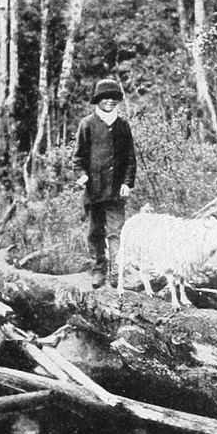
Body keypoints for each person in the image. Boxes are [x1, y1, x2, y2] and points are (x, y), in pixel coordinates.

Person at [73, 78, 137, 288]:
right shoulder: (87, 124)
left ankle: (117, 273)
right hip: (94, 190)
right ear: (97, 100)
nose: (110, 101)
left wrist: (127, 183)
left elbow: (130, 158)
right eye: (105, 97)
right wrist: (82, 175)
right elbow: (78, 158)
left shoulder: (123, 125)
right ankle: (98, 270)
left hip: (117, 192)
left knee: (117, 233)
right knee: (95, 233)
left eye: (114, 98)